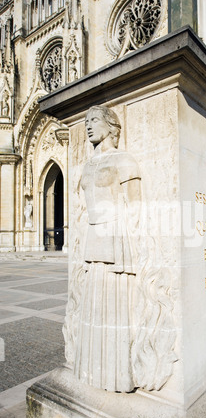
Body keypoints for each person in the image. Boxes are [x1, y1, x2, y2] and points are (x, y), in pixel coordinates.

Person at [74, 105, 141, 392]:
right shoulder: (87, 166)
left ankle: (118, 376)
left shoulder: (124, 161)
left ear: (111, 126)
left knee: (114, 308)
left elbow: (136, 207)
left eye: (95, 120)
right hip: (92, 240)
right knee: (92, 307)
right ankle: (90, 370)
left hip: (115, 240)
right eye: (86, 121)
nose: (88, 126)